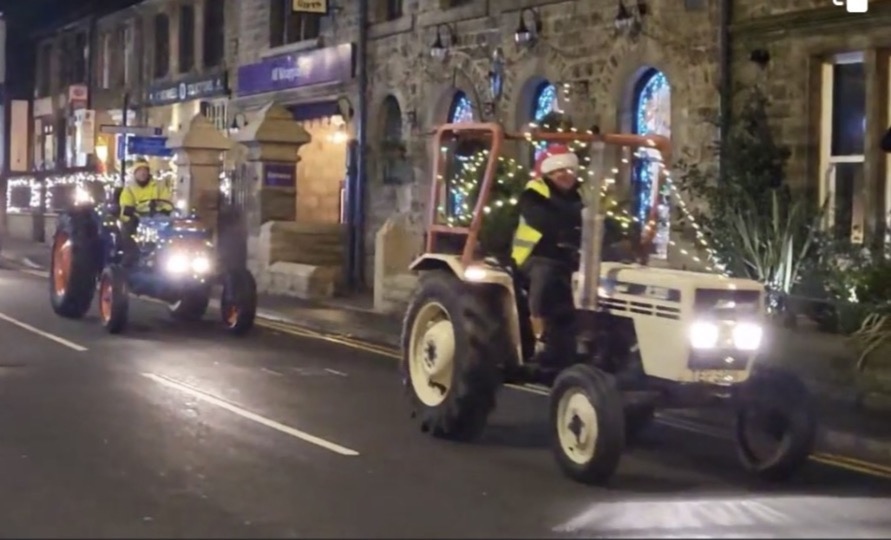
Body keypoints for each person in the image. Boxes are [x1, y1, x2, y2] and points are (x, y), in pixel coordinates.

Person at [511, 144, 583, 374]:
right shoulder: (533, 194)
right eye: (558, 171)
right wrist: (570, 230)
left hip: (569, 258)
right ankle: (539, 334)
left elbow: (591, 222)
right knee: (546, 275)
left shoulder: (578, 197)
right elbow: (543, 221)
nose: (564, 175)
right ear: (548, 174)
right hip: (533, 257)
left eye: (568, 170)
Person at [118, 159, 174, 264]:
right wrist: (132, 212)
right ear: (135, 173)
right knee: (128, 228)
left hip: (157, 217)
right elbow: (126, 205)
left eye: (145, 170)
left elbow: (167, 201)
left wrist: (165, 210)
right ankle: (130, 256)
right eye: (140, 170)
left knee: (170, 228)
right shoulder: (129, 189)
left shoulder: (158, 186)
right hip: (137, 217)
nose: (143, 173)